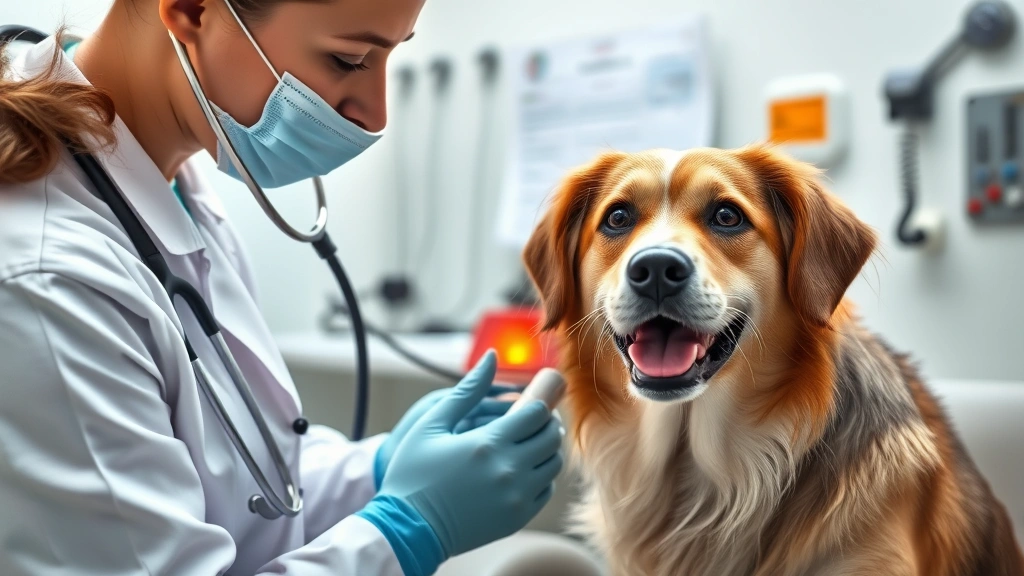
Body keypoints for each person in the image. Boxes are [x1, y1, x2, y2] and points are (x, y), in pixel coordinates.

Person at [0, 0, 564, 574]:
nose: (375, 114)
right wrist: (410, 529)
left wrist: (381, 467)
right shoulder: (43, 278)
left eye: (391, 54)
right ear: (192, 11)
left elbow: (243, 488)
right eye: (349, 60)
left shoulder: (177, 180)